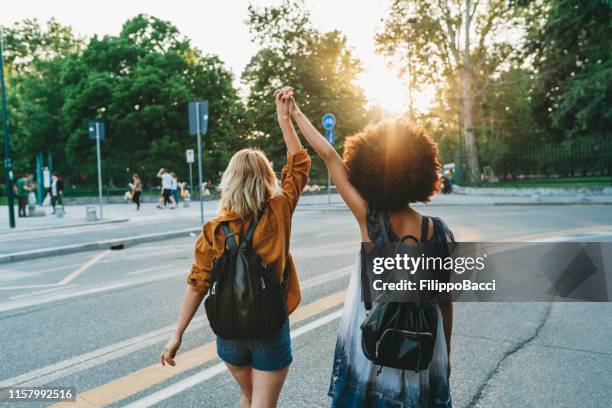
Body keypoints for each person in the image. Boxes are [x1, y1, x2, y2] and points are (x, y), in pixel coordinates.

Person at [277, 86, 454, 407]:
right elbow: (444, 301)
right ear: (421, 173)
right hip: (422, 345)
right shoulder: (437, 231)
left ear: (370, 174)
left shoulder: (371, 221)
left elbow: (329, 156)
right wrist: (448, 352)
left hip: (377, 341)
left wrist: (294, 114)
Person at [160, 92, 310, 408]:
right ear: (267, 178)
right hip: (268, 326)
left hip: (229, 333)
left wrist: (177, 333)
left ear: (229, 182)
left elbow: (198, 284)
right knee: (263, 404)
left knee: (247, 396)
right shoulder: (279, 210)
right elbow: (299, 166)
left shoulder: (213, 230)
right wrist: (285, 118)